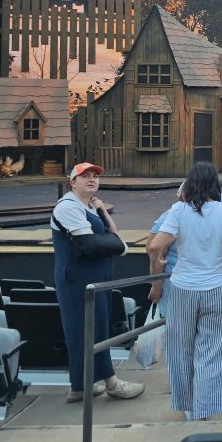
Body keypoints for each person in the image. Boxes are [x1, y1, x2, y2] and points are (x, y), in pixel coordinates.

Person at [147, 161, 222, 421]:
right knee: (212, 349)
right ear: (216, 184)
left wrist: (157, 264)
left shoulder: (178, 210)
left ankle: (187, 406)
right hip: (218, 287)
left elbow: (155, 244)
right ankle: (205, 407)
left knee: (180, 349)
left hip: (183, 288)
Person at [51, 162, 145, 403]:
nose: (92, 179)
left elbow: (112, 235)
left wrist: (102, 211)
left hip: (94, 279)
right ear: (73, 182)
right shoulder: (67, 207)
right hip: (78, 280)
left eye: (95, 176)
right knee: (84, 329)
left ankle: (80, 386)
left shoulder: (88, 208)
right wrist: (121, 247)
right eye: (85, 176)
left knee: (96, 327)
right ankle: (111, 382)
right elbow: (90, 244)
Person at [147, 183, 222, 317]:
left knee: (179, 331)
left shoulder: (176, 213)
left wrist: (156, 286)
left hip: (183, 284)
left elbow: (154, 249)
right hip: (204, 284)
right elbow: (155, 251)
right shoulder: (172, 216)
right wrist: (157, 286)